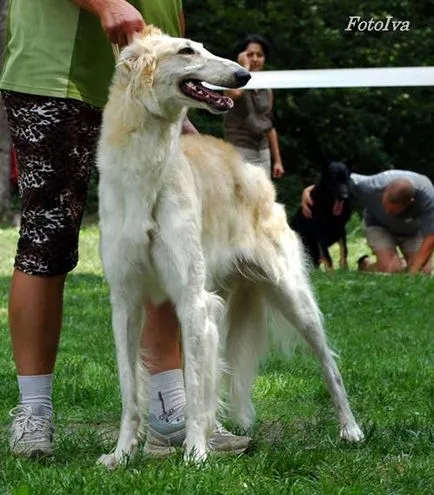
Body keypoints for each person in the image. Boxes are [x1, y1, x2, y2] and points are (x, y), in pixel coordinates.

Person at [1, 0, 250, 458]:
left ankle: (170, 411)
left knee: (167, 243)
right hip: (55, 77)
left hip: (153, 86)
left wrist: (182, 92)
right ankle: (33, 413)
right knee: (47, 237)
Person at [301, 169, 434, 274]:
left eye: (392, 211)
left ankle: (403, 264)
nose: (387, 212)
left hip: (411, 230)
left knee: (424, 272)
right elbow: (338, 181)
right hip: (378, 225)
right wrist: (309, 190)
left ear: (410, 202)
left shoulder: (428, 198)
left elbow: (431, 238)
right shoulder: (371, 185)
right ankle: (366, 265)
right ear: (384, 191)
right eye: (384, 206)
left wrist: (413, 272)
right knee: (392, 270)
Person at [223, 34, 285, 179]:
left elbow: (269, 124)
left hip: (262, 152)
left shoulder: (267, 87)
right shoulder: (232, 80)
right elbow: (234, 94)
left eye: (260, 55)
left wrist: (278, 161)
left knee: (263, 198)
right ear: (241, 56)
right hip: (239, 149)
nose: (255, 59)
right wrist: (244, 67)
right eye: (250, 54)